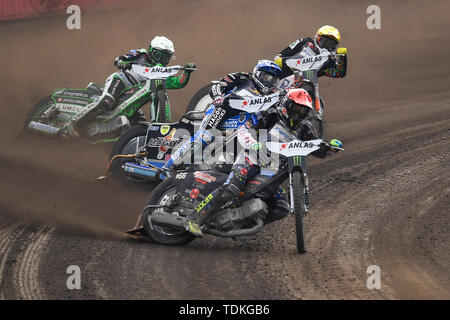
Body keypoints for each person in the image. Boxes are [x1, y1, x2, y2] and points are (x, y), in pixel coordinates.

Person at [183, 88, 343, 237]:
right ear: (287, 105)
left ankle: (239, 223)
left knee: (282, 206)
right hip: (252, 158)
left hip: (271, 170)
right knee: (231, 187)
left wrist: (329, 147)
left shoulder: (303, 129)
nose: (298, 114)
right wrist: (253, 143)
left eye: (303, 111)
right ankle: (194, 218)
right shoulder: (271, 115)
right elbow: (245, 129)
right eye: (296, 109)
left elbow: (316, 147)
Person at [62, 36, 196, 137]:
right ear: (151, 51)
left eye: (165, 58)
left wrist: (187, 72)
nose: (161, 60)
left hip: (134, 94)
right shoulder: (140, 54)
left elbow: (179, 82)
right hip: (121, 81)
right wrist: (123, 63)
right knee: (107, 102)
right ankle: (72, 124)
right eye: (159, 55)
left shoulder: (162, 74)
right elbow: (119, 59)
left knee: (139, 123)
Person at [162, 59, 283, 171]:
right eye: (266, 77)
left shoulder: (273, 95)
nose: (268, 82)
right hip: (224, 110)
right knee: (205, 136)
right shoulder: (242, 77)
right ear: (257, 73)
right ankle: (170, 165)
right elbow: (217, 85)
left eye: (273, 80)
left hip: (247, 123)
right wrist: (218, 97)